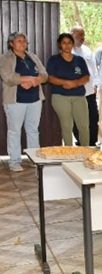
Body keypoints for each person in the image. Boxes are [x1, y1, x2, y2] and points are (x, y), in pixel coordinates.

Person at [0, 32, 48, 172]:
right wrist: (26, 79)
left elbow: (44, 75)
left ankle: (34, 159)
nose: (23, 43)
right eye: (19, 41)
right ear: (11, 44)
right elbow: (8, 77)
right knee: (14, 131)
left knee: (33, 130)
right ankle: (14, 162)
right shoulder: (5, 58)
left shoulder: (32, 56)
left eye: (24, 41)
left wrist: (34, 82)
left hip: (35, 99)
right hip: (15, 101)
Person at [46, 33, 91, 146]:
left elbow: (86, 77)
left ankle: (85, 151)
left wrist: (75, 83)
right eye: (64, 43)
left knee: (84, 126)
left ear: (73, 44)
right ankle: (68, 152)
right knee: (67, 126)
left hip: (79, 96)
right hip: (60, 97)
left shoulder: (79, 60)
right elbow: (50, 78)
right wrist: (65, 83)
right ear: (60, 45)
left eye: (69, 43)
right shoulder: (54, 60)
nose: (67, 45)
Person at [71, 26, 99, 146]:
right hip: (75, 93)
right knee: (77, 120)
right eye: (79, 35)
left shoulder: (87, 50)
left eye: (83, 35)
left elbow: (94, 69)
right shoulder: (67, 52)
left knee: (93, 118)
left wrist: (96, 84)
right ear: (72, 35)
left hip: (90, 92)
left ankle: (92, 143)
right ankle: (81, 142)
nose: (82, 38)